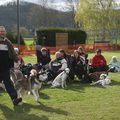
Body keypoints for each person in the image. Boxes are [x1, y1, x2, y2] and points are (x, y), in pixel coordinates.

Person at [0, 26, 22, 105]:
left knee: (8, 83)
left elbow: (13, 52)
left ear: (5, 32)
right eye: (0, 31)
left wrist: (17, 60)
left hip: (5, 67)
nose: (2, 32)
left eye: (3, 31)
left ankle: (14, 99)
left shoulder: (7, 42)